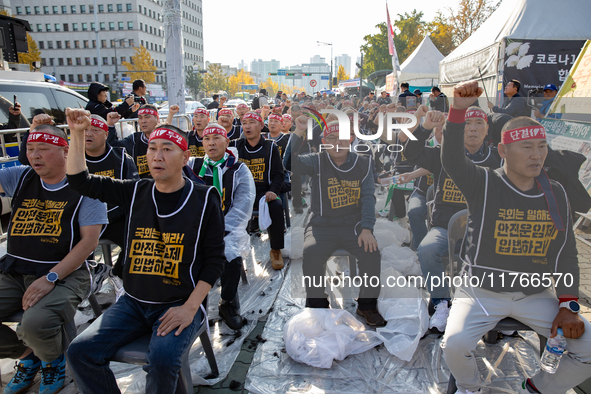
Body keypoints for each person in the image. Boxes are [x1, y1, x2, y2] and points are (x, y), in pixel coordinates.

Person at [442, 80, 591, 394]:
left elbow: (566, 254)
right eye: (527, 147)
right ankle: (471, 388)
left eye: (541, 147)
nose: (536, 155)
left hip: (535, 295)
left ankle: (536, 388)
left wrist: (570, 305)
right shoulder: (482, 183)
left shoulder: (557, 193)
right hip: (481, 292)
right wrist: (457, 111)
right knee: (453, 345)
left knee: (588, 349)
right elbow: (452, 161)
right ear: (503, 151)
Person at [65, 108, 226, 394]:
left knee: (162, 360)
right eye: (152, 148)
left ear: (185, 157)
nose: (157, 156)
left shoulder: (203, 198)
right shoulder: (136, 191)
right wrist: (77, 134)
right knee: (79, 352)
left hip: (179, 302)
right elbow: (80, 180)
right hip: (133, 302)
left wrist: (190, 308)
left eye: (167, 149)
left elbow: (215, 260)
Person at [0, 119, 106, 394]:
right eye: (30, 148)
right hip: (14, 270)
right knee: (32, 333)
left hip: (66, 274)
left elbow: (88, 243)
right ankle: (28, 356)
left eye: (44, 148)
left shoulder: (87, 188)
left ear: (66, 151)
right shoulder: (21, 177)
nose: (34, 155)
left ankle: (52, 360)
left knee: (35, 323)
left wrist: (50, 277)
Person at [404, 106, 501, 333]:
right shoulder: (444, 153)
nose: (473, 129)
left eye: (479, 123)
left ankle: (492, 306)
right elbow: (411, 153)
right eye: (467, 123)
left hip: (485, 228)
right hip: (444, 226)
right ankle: (440, 302)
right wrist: (425, 127)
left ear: (487, 130)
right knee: (427, 249)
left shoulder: (498, 159)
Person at [290, 116, 385, 326]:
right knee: (312, 253)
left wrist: (367, 228)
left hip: (354, 225)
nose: (337, 143)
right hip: (322, 225)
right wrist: (298, 133)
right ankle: (318, 305)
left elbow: (369, 197)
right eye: (331, 138)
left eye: (342, 138)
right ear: (324, 142)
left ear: (350, 139)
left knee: (371, 252)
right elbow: (290, 162)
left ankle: (367, 305)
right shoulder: (317, 160)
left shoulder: (363, 162)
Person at [189, 123, 255, 330]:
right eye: (207, 139)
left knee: (231, 256)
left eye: (216, 138)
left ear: (227, 142)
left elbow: (243, 205)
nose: (211, 143)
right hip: (193, 227)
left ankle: (226, 302)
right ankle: (188, 304)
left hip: (226, 228)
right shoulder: (192, 165)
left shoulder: (238, 169)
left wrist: (218, 230)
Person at [86, 113, 139, 285]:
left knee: (138, 237)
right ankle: (87, 278)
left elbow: (133, 195)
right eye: (85, 130)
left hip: (116, 218)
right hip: (82, 221)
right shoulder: (71, 160)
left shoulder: (122, 158)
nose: (88, 134)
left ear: (106, 134)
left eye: (94, 130)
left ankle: (118, 276)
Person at [231, 111, 285, 269]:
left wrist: (273, 190)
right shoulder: (235, 146)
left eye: (251, 123)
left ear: (261, 126)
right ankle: (228, 251)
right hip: (240, 193)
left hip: (263, 193)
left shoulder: (271, 147)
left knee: (276, 205)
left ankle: (275, 249)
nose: (247, 126)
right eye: (244, 123)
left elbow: (278, 174)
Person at [107, 104, 160, 178]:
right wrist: (110, 125)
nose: (143, 121)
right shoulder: (134, 139)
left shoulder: (167, 139)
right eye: (140, 118)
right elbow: (113, 147)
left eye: (147, 117)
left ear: (157, 119)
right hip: (141, 185)